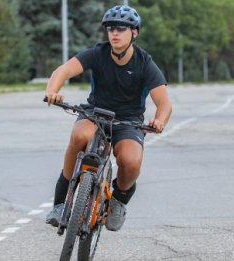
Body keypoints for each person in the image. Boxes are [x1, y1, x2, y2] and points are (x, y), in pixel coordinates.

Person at [44, 5, 172, 232]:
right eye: (111, 28)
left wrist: (159, 120)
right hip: (95, 113)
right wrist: (52, 91)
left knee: (131, 161)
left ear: (134, 32)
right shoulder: (97, 53)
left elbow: (164, 103)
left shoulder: (144, 63)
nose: (115, 33)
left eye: (121, 28)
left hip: (128, 121)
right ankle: (61, 202)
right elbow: (62, 71)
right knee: (79, 135)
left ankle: (119, 200)